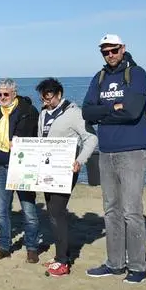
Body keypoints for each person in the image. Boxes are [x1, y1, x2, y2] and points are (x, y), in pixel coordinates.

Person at [82, 34, 146, 285]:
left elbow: (133, 111)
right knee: (111, 210)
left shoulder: (137, 74)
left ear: (123, 48)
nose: (110, 55)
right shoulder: (99, 78)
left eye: (113, 50)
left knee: (132, 211)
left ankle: (137, 267)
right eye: (105, 52)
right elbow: (87, 111)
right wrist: (114, 108)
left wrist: (105, 113)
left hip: (133, 150)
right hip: (106, 151)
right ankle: (114, 264)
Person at [35, 78, 98, 277]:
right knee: (52, 213)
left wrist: (80, 160)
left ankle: (63, 261)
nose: (45, 101)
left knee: (57, 211)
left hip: (65, 171)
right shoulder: (43, 113)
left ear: (59, 94)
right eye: (43, 97)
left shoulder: (74, 113)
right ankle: (60, 255)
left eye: (49, 96)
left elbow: (91, 138)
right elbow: (40, 141)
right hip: (47, 170)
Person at [0, 78, 41, 261]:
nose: (2, 97)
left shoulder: (28, 110)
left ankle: (32, 247)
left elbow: (32, 133)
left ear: (14, 94)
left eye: (5, 94)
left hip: (22, 166)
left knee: (29, 210)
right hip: (0, 166)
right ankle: (4, 246)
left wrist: (19, 139)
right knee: (1, 210)